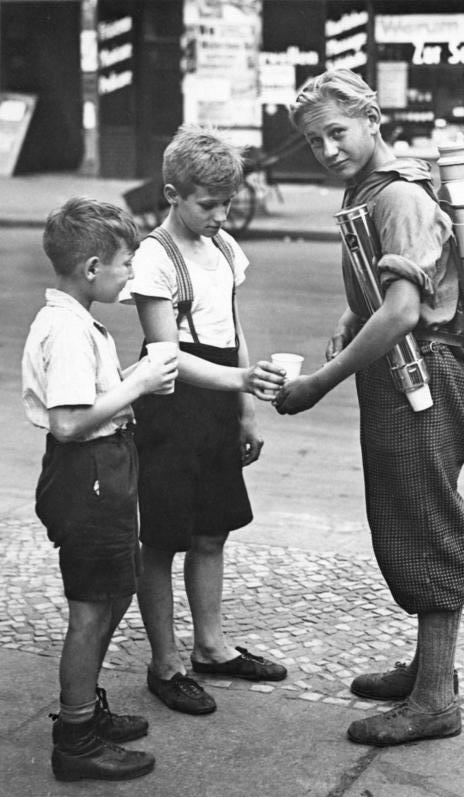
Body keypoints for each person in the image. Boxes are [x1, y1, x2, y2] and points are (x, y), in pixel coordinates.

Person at [276, 69, 464, 747]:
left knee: (425, 518)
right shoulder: (371, 190)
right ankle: (432, 670)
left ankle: (433, 701)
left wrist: (319, 382)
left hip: (422, 374)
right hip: (401, 374)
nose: (327, 149)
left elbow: (401, 310)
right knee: (405, 511)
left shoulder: (400, 197)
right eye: (313, 141)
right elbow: (382, 288)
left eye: (338, 132)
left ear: (372, 119)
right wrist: (348, 309)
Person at [121, 123, 287, 717]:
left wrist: (244, 408)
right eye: (209, 204)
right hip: (168, 403)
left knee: (211, 529)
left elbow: (233, 327)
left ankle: (212, 647)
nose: (221, 214)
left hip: (217, 399)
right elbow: (166, 355)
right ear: (171, 194)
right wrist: (239, 382)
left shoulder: (221, 248)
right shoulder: (153, 258)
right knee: (163, 536)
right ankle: (165, 663)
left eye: (228, 203)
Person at [21, 197, 178, 781]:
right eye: (125, 265)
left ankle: (83, 706)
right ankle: (77, 738)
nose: (131, 276)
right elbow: (67, 421)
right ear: (91, 268)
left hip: (103, 467)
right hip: (86, 471)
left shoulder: (76, 319)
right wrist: (138, 383)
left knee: (114, 591)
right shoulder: (66, 330)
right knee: (92, 607)